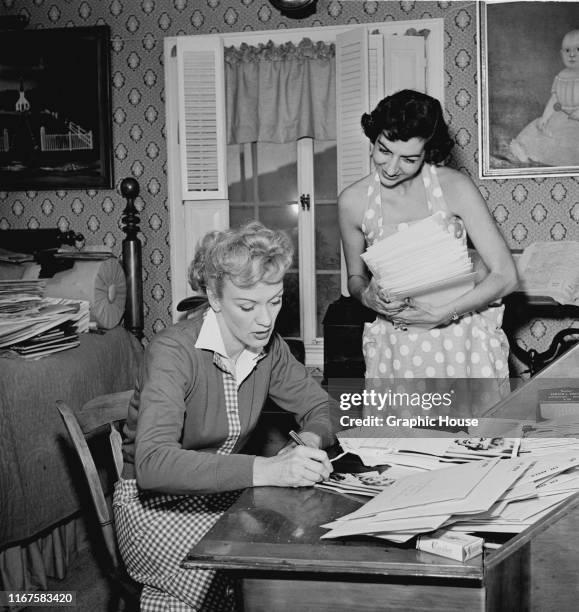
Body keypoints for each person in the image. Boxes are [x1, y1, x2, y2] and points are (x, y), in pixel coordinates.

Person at [113, 221, 334, 611]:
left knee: (305, 552)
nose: (265, 320)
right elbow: (152, 464)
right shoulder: (173, 352)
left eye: (276, 301)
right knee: (255, 579)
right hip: (151, 507)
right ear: (214, 297)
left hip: (223, 497)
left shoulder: (270, 349)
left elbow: (321, 406)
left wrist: (310, 443)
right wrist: (266, 470)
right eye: (247, 306)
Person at [338, 89, 518, 386]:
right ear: (373, 138)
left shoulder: (454, 187)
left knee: (471, 433)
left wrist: (444, 313)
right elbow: (355, 279)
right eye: (384, 150)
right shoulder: (353, 202)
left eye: (408, 159)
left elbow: (506, 276)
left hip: (462, 342)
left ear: (428, 153)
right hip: (397, 348)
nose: (392, 168)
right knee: (403, 433)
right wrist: (366, 296)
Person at [510, 29, 579, 166]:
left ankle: (560, 159)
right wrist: (545, 117)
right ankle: (524, 150)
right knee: (538, 128)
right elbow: (554, 100)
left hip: (576, 120)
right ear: (561, 54)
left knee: (568, 141)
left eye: (578, 49)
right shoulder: (560, 76)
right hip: (561, 116)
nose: (572, 54)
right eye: (567, 50)